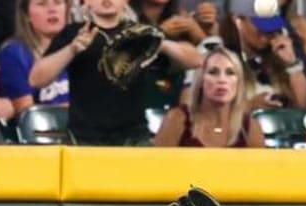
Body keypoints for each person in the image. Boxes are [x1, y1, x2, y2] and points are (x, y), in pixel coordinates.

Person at [27, 0, 198, 145]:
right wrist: (71, 49)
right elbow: (36, 79)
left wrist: (160, 43)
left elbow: (196, 60)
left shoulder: (142, 33)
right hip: (84, 139)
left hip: (134, 137)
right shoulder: (74, 33)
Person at [153, 45, 261, 147]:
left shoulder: (250, 128)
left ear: (239, 82)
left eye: (230, 73)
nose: (222, 80)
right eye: (213, 72)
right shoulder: (177, 119)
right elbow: (155, 165)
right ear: (200, 80)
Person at [222, 10, 306, 110]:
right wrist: (249, 106)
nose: (267, 31)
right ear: (238, 21)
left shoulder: (278, 57)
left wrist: (292, 64)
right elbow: (212, 113)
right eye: (260, 25)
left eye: (271, 25)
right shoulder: (221, 58)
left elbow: (305, 108)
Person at [0, 0, 68, 114]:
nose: (52, 9)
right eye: (42, 4)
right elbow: (28, 115)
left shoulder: (80, 46)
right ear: (27, 14)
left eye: (58, 2)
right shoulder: (14, 54)